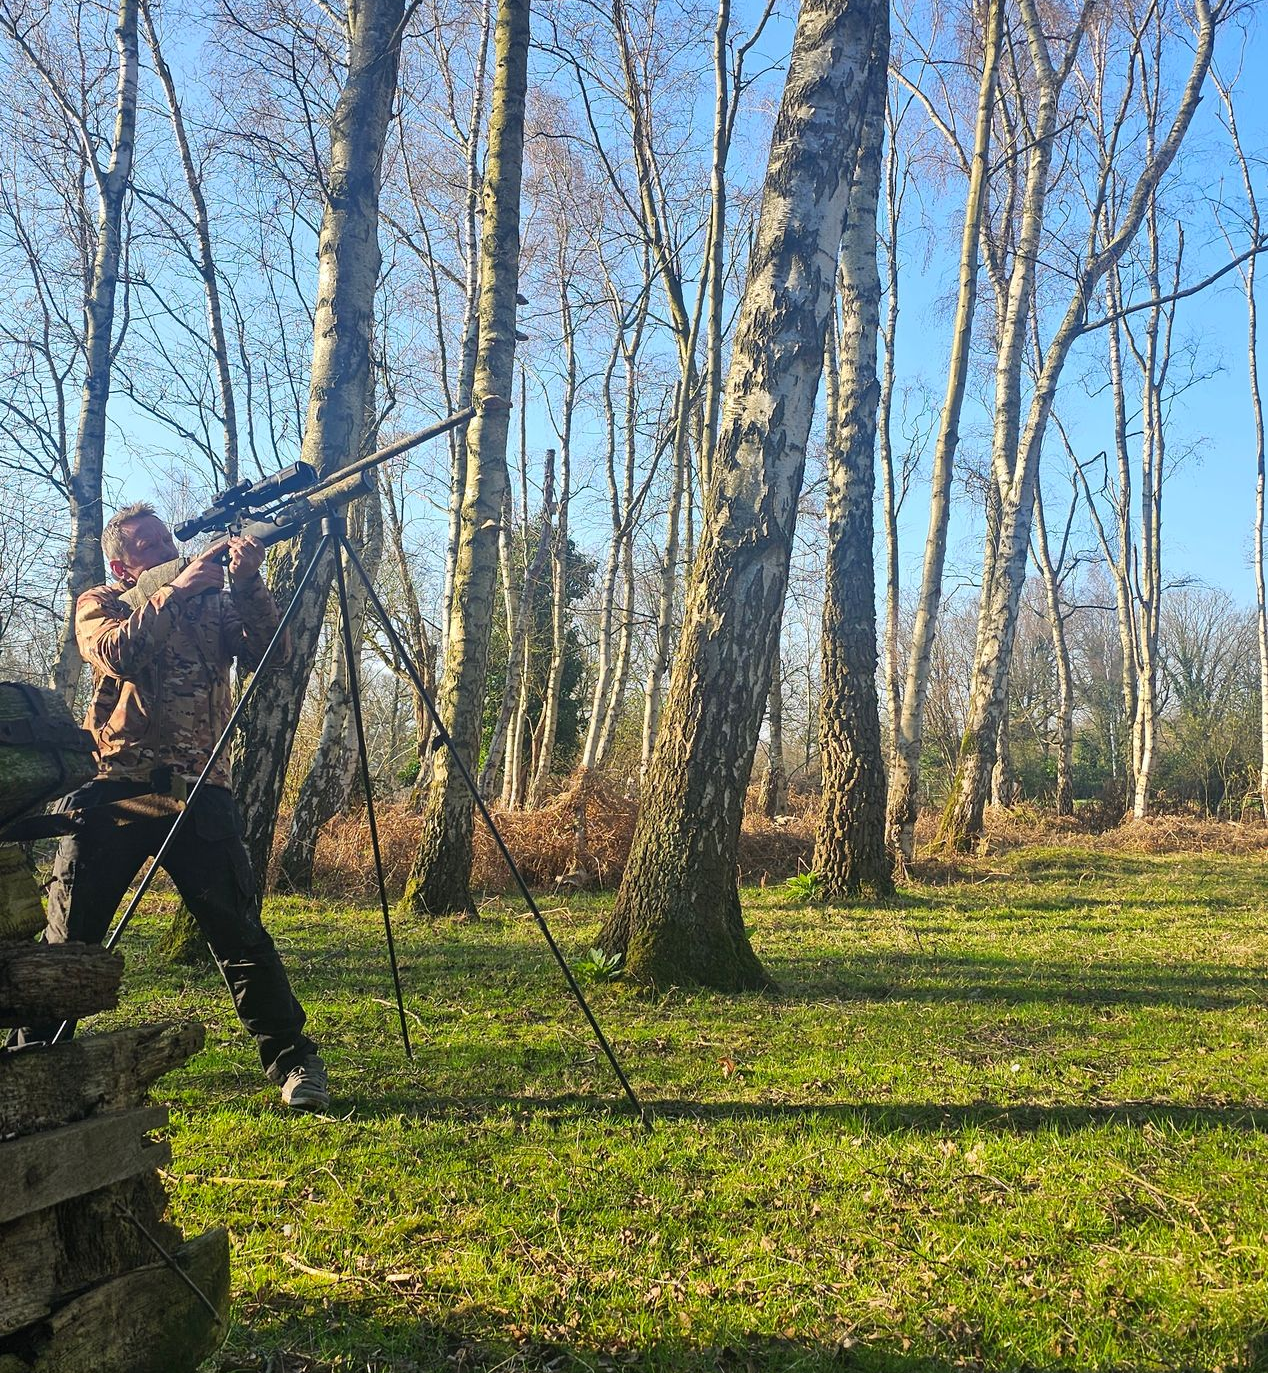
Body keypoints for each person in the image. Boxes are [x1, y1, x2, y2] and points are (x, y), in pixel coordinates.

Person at [13, 502, 329, 1111]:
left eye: (168, 542)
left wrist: (248, 583)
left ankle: (293, 1061)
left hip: (200, 787)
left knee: (240, 935)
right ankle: (31, 1065)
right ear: (122, 565)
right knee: (70, 941)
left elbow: (273, 656)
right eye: (150, 546)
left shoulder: (216, 603)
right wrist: (176, 591)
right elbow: (117, 654)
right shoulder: (100, 602)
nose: (167, 551)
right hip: (114, 789)